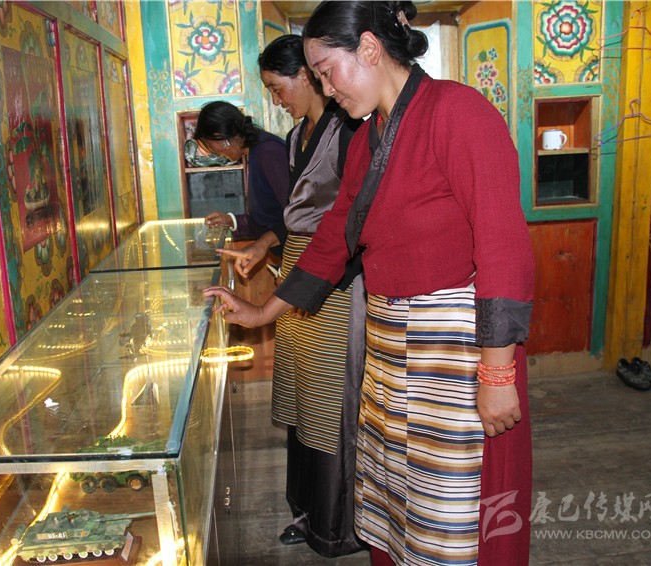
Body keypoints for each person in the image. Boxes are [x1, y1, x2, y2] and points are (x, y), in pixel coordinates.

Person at [203, 3, 535, 566]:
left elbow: (504, 247)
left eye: (327, 72)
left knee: (451, 509)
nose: (327, 90)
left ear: (370, 49)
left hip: (456, 350)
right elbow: (334, 239)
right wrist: (262, 312)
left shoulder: (459, 113)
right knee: (394, 498)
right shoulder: (365, 138)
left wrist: (498, 374)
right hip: (386, 343)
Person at [219, 34, 364, 557]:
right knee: (304, 400)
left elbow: (344, 225)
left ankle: (339, 524)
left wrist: (270, 299)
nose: (276, 100)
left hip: (333, 284)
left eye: (278, 88)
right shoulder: (296, 135)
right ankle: (306, 511)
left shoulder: (350, 131)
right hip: (297, 274)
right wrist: (263, 244)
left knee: (331, 405)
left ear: (307, 75)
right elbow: (293, 217)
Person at [195, 101, 289, 243]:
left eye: (208, 144)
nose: (212, 152)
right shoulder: (254, 152)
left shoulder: (268, 152)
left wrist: (263, 244)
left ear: (220, 136)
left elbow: (296, 216)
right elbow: (265, 218)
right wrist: (230, 220)